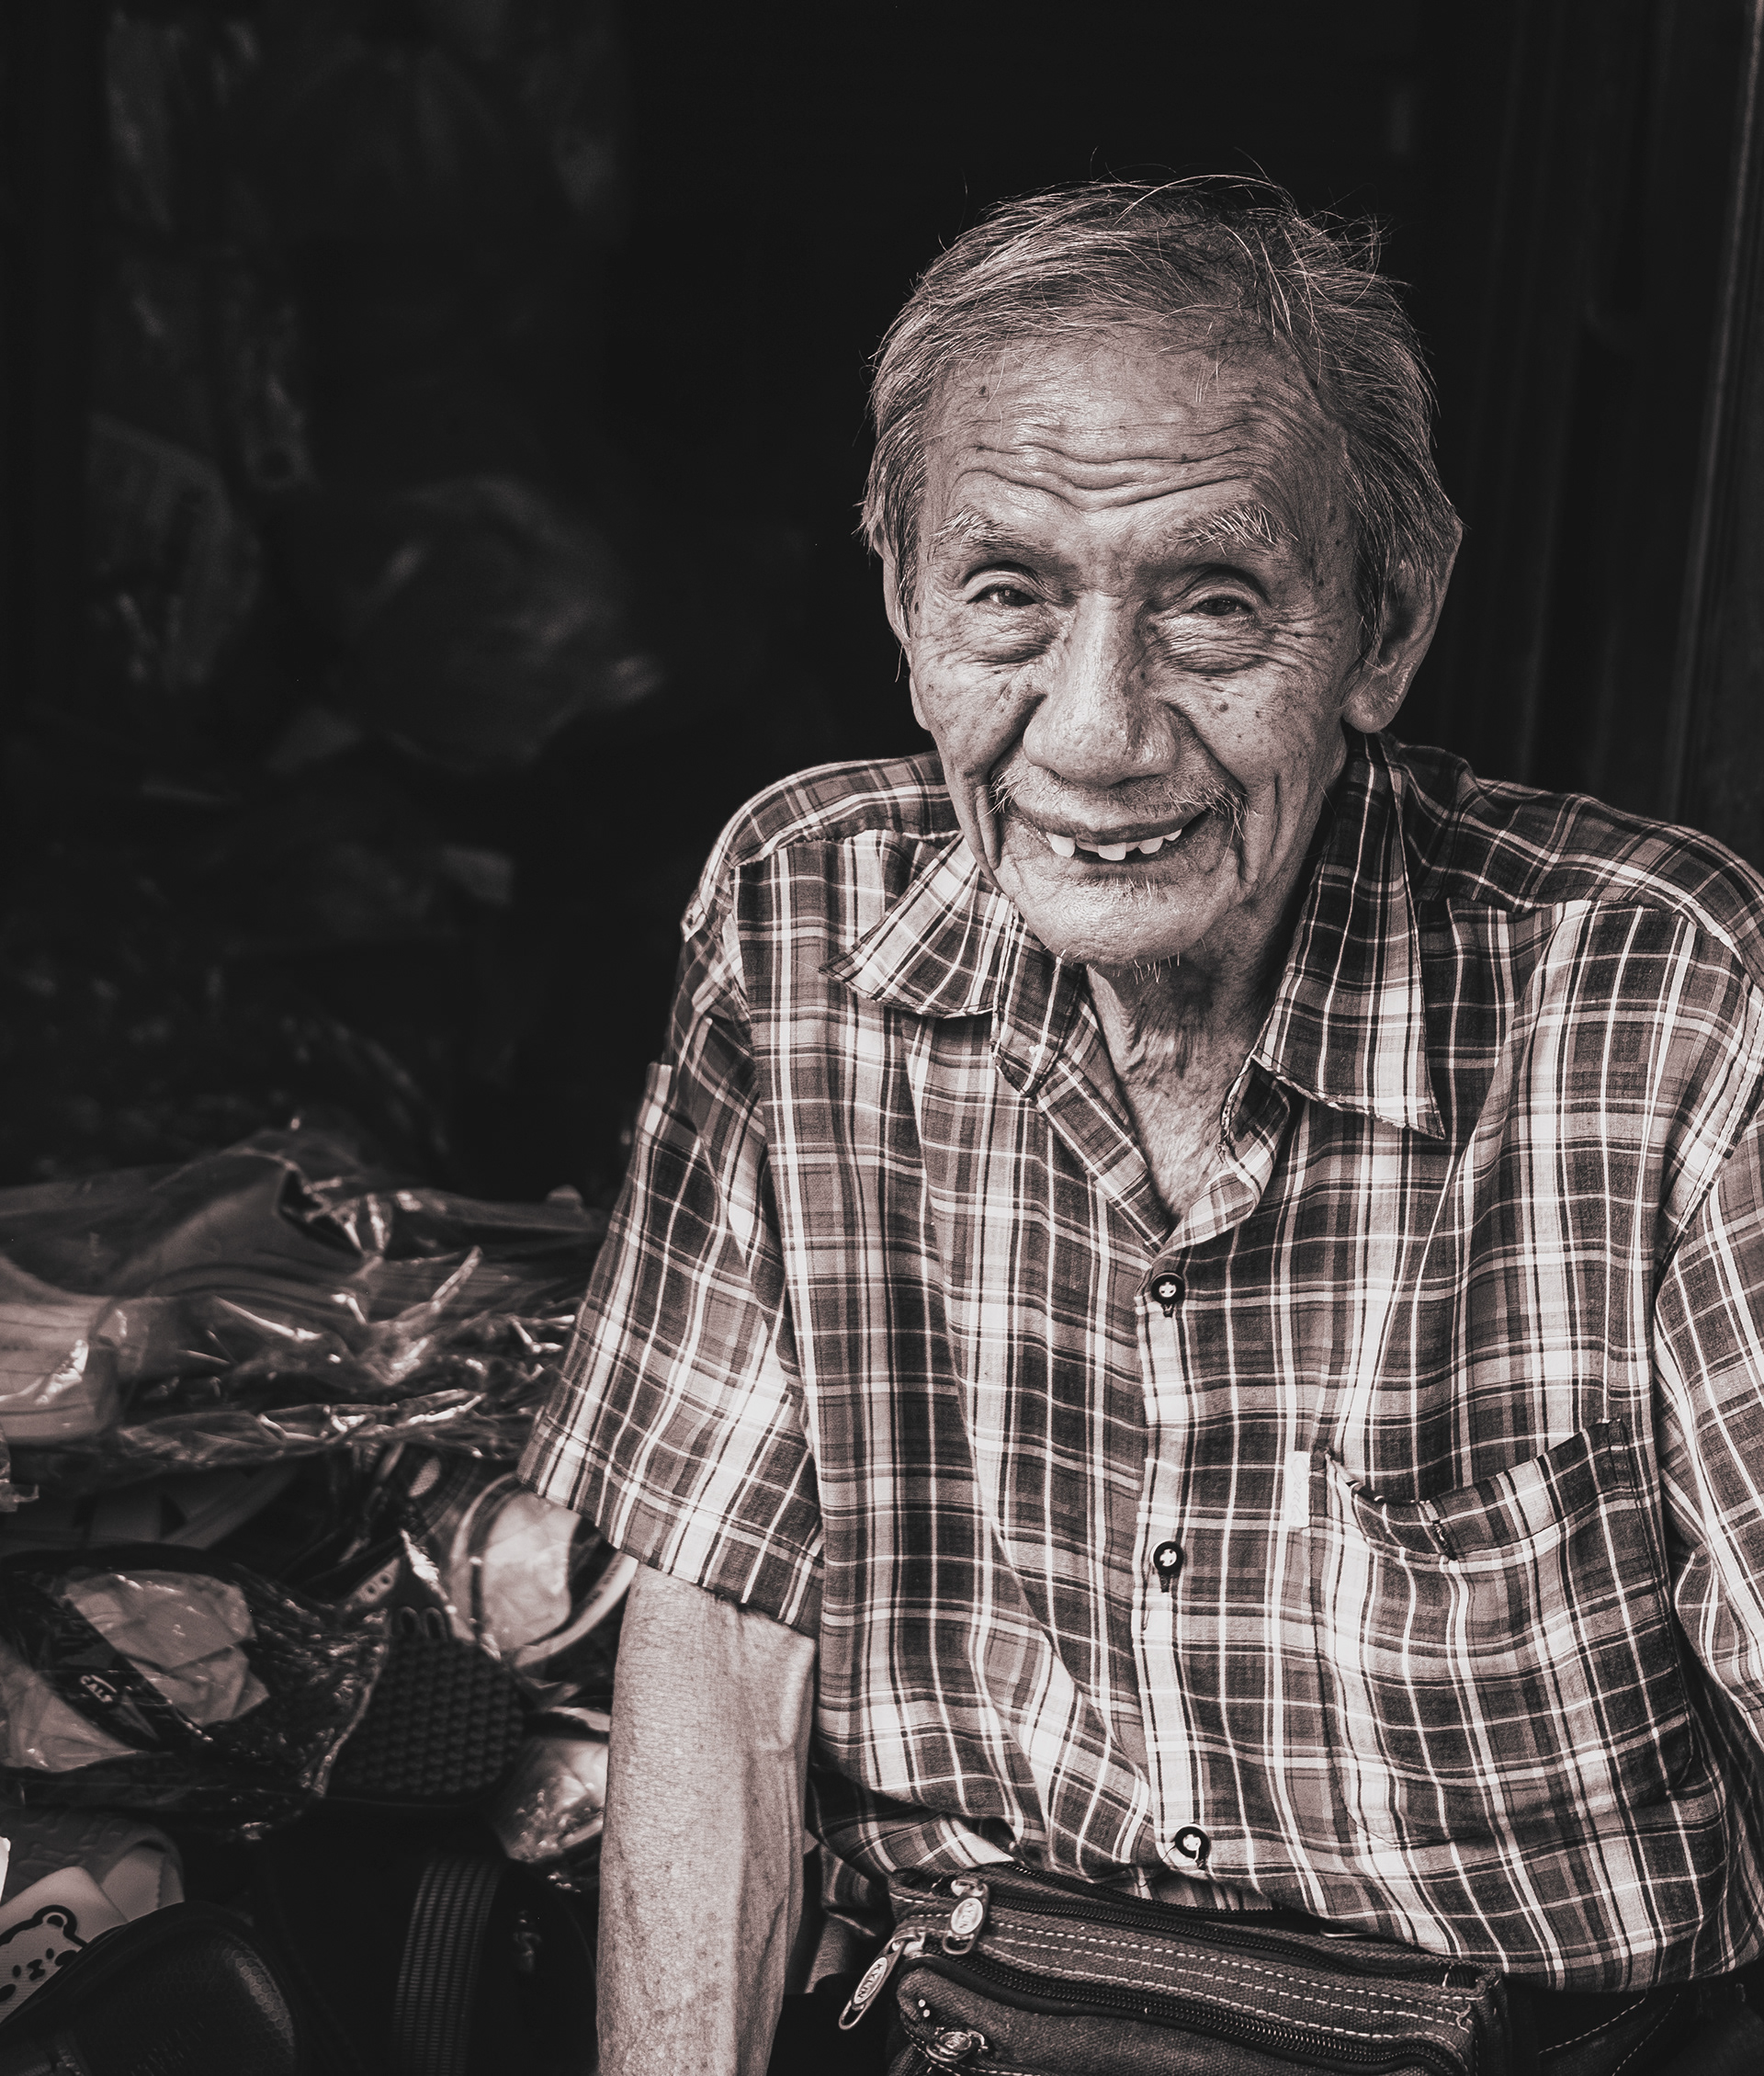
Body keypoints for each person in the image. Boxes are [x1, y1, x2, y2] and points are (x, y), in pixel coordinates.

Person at [520, 182, 1764, 2074]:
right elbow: (720, 1630)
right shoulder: (803, 918)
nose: (1094, 732)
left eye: (1212, 605)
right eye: (1009, 593)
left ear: (1386, 627)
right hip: (974, 2008)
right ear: (905, 609)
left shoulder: (1664, 997)